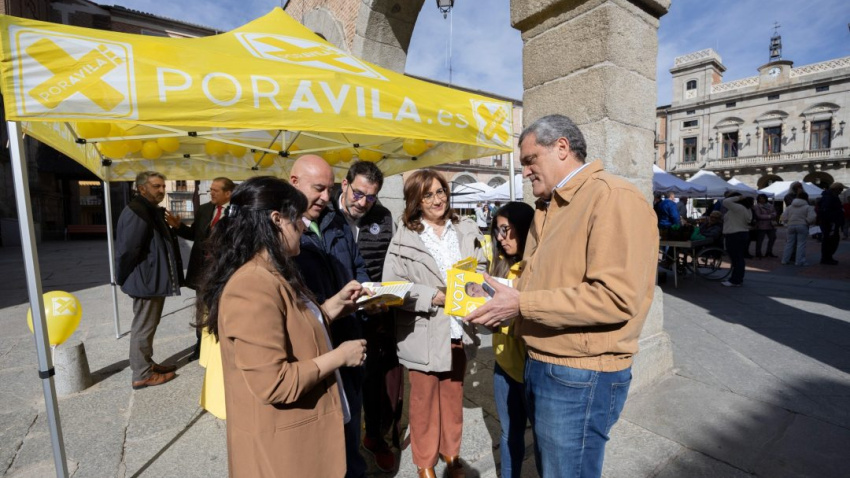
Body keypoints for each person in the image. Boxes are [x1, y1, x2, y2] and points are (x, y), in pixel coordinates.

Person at [465, 114, 658, 478]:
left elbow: (616, 298)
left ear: (562, 148)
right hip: (545, 364)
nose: (524, 172)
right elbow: (543, 284)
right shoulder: (549, 207)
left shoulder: (613, 198)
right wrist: (499, 289)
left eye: (529, 160)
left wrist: (520, 303)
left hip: (580, 375)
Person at [196, 176, 368, 478]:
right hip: (282, 453)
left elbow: (294, 331)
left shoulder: (274, 270)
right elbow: (275, 382)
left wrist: (332, 308)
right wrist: (341, 356)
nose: (303, 226)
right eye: (297, 219)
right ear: (276, 219)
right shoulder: (251, 284)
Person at [383, 170, 487, 478]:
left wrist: (475, 284)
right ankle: (425, 462)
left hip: (459, 328)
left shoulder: (464, 228)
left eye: (440, 191)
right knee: (423, 402)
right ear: (415, 200)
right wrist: (433, 296)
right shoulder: (404, 236)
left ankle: (452, 455)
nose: (437, 199)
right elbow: (392, 286)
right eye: (427, 195)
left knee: (453, 399)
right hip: (423, 332)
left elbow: (481, 266)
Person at [290, 155, 371, 478]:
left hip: (348, 338)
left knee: (351, 421)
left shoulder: (336, 221)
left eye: (330, 188)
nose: (326, 197)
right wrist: (329, 306)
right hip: (313, 348)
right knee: (323, 430)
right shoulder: (281, 230)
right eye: (319, 189)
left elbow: (358, 263)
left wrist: (365, 291)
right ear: (294, 183)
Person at [330, 161, 400, 472]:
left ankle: (374, 436)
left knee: (375, 380)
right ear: (344, 185)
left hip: (372, 312)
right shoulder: (324, 213)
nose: (363, 203)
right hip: (333, 313)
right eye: (358, 194)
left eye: (371, 197)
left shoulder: (382, 217)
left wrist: (384, 297)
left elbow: (388, 261)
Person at [115, 171, 182, 390]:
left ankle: (146, 364)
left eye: (163, 186)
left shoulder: (149, 209)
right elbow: (127, 250)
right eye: (156, 186)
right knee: (143, 327)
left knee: (149, 324)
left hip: (151, 279)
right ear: (142, 188)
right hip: (146, 280)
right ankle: (142, 373)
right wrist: (123, 277)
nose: (162, 190)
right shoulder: (137, 211)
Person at [487, 201, 535, 478]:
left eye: (507, 230)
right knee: (509, 434)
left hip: (533, 367)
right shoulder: (500, 265)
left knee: (542, 438)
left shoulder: (537, 267)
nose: (501, 239)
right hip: (504, 365)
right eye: (497, 232)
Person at [168, 177, 235, 361]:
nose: (211, 193)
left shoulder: (237, 212)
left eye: (216, 190)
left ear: (228, 193)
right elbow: (194, 235)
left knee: (224, 307)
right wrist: (179, 227)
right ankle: (201, 345)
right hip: (202, 271)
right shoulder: (205, 209)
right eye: (210, 189)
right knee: (202, 309)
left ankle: (225, 343)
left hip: (225, 271)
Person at [721, 193, 752, 287]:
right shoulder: (746, 209)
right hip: (741, 234)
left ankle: (735, 280)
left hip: (735, 235)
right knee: (738, 258)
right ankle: (736, 278)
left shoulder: (738, 208)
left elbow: (725, 202)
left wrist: (738, 197)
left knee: (737, 259)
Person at [781, 191, 816, 266]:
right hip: (802, 225)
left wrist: (787, 221)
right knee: (801, 244)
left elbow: (784, 216)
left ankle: (785, 260)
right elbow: (813, 216)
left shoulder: (790, 207)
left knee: (789, 243)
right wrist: (807, 221)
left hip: (791, 225)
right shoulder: (808, 207)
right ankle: (799, 261)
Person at [818, 182, 845, 265]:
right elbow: (826, 210)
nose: (841, 191)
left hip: (831, 222)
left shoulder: (831, 196)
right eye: (840, 189)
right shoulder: (829, 197)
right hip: (830, 223)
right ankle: (826, 258)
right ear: (836, 189)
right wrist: (837, 213)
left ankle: (828, 257)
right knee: (830, 240)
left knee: (831, 240)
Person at [753, 193, 777, 258]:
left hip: (771, 225)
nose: (762, 200)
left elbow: (775, 213)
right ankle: (758, 253)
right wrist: (769, 216)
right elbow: (759, 215)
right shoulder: (757, 206)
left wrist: (771, 215)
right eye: (760, 198)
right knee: (760, 240)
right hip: (761, 225)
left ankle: (769, 252)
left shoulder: (770, 205)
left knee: (773, 238)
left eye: (763, 198)